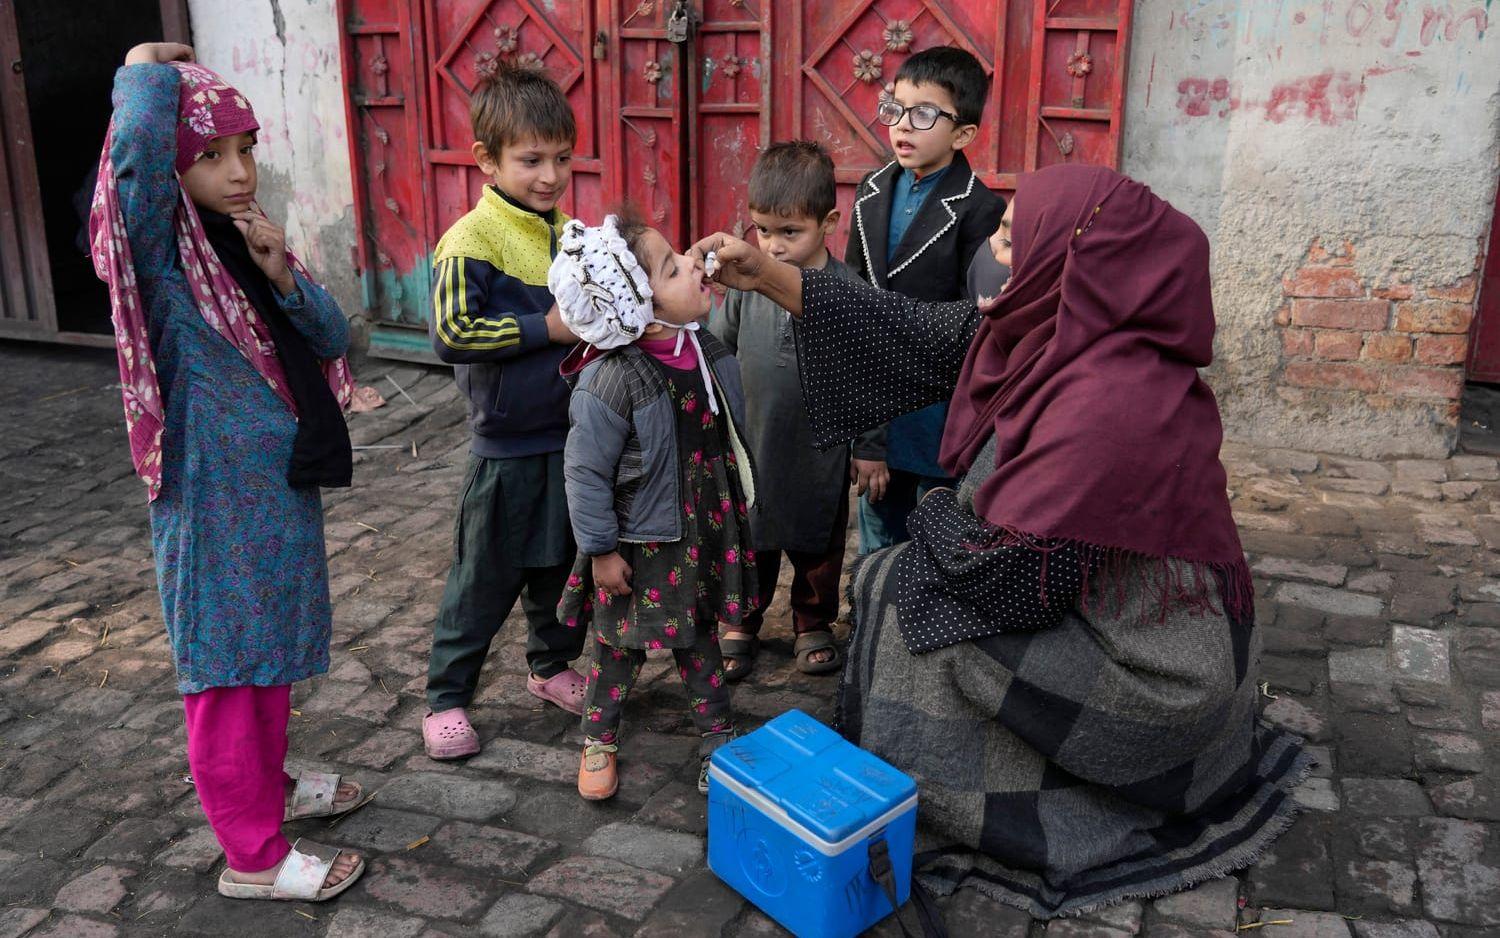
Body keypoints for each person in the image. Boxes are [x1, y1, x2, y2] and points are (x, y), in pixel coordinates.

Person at [692, 164, 1311, 918]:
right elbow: (907, 329)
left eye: (1014, 237)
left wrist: (935, 513)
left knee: (901, 591)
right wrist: (763, 273)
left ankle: (948, 787)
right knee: (897, 578)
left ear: (1073, 255)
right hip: (1073, 590)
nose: (991, 247)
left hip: (1148, 666)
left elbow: (1008, 583)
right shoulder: (1061, 328)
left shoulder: (1111, 399)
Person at [91, 42, 365, 901]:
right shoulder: (163, 267)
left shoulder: (238, 243)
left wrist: (284, 275)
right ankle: (252, 856)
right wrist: (143, 73)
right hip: (212, 505)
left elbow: (328, 338)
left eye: (245, 148)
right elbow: (132, 166)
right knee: (223, 673)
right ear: (176, 168)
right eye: (209, 155)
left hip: (274, 495)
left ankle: (267, 788)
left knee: (269, 654)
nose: (238, 171)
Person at [552, 213, 755, 800]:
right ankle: (598, 737)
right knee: (618, 644)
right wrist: (600, 550)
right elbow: (584, 473)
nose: (693, 263)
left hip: (702, 527)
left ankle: (718, 736)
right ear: (639, 305)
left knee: (699, 639)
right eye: (673, 268)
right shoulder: (611, 381)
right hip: (640, 541)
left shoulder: (706, 349)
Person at [422, 64, 588, 760]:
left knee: (563, 566)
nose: (548, 175)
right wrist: (543, 330)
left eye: (560, 158)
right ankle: (446, 697)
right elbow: (451, 334)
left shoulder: (570, 234)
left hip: (573, 441)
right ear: (486, 160)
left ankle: (549, 667)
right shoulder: (470, 241)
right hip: (505, 450)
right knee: (482, 578)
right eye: (530, 160)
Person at [844, 46, 1006, 555]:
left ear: (963, 135)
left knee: (937, 528)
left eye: (924, 114)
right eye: (895, 107)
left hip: (936, 403)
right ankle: (871, 618)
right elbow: (852, 294)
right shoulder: (871, 189)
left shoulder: (980, 208)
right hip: (873, 395)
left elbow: (974, 324)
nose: (902, 126)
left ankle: (923, 625)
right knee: (877, 524)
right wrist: (863, 430)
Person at [709, 141, 852, 681]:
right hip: (754, 442)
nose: (773, 245)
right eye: (763, 231)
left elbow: (874, 374)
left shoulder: (848, 292)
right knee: (751, 537)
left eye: (789, 232)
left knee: (819, 539)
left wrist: (873, 450)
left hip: (821, 449)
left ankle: (812, 621)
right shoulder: (749, 284)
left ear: (829, 222)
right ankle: (741, 621)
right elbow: (720, 347)